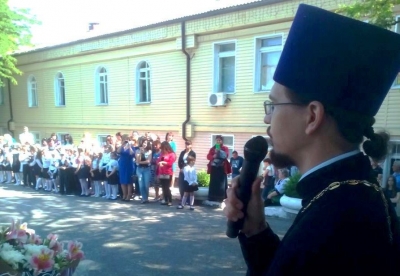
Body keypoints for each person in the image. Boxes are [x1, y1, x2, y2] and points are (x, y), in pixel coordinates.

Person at [224, 4, 400, 275]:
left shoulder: (337, 218)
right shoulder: (349, 196)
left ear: (312, 116)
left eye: (273, 105)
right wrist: (255, 229)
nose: (267, 120)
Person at [207, 135, 231, 202]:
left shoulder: (225, 148)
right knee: (213, 183)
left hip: (222, 168)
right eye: (217, 140)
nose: (218, 141)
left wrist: (219, 151)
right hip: (214, 168)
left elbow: (225, 155)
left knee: (222, 183)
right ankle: (213, 197)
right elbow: (208, 156)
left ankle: (221, 197)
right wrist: (213, 156)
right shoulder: (212, 148)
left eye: (219, 140)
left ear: (222, 141)